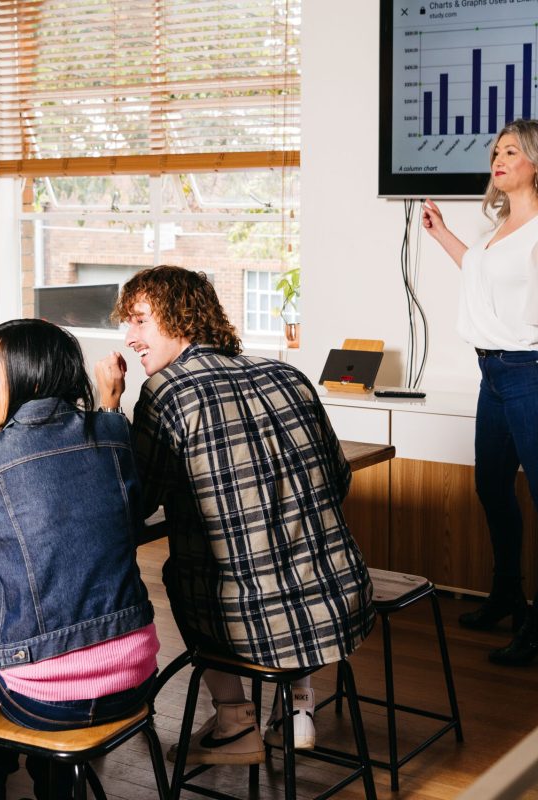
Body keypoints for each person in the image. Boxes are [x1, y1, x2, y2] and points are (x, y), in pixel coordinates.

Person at [95, 265, 374, 765]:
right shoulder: (286, 373)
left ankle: (233, 719)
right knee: (278, 550)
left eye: (139, 320)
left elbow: (129, 506)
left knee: (181, 572)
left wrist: (110, 406)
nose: (129, 336)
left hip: (251, 621)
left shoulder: (167, 391)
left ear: (180, 317)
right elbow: (338, 480)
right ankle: (296, 703)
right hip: (341, 601)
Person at [0, 319, 158, 799]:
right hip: (137, 674)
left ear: (30, 380)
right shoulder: (114, 432)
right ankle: (0, 767)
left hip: (49, 695)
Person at [422, 118, 538, 666]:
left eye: (511, 150)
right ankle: (509, 594)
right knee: (491, 487)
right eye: (496, 151)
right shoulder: (501, 233)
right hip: (495, 375)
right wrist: (440, 230)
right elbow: (479, 271)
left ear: (536, 161)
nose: (498, 158)